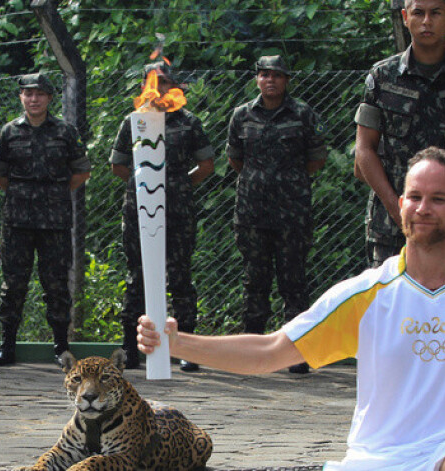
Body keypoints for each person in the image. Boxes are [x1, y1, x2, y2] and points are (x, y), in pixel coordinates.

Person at [138, 146, 445, 471]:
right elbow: (270, 351)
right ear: (401, 204)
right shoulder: (368, 296)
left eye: (438, 199)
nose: (423, 208)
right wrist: (176, 343)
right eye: (415, 197)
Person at [110, 61, 215, 371]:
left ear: (174, 86)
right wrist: (146, 188)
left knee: (180, 276)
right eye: (152, 81)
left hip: (178, 212)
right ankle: (131, 348)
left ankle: (185, 349)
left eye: (165, 81)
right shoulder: (134, 121)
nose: (159, 87)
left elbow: (206, 165)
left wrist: (177, 185)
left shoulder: (189, 122)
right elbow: (118, 166)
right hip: (140, 211)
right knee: (137, 276)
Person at [226, 55, 327, 374]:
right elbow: (235, 159)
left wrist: (286, 182)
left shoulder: (303, 114)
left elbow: (315, 159)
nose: (270, 80)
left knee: (293, 282)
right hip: (253, 213)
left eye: (277, 75)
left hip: (292, 213)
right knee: (254, 280)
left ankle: (295, 354)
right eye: (264, 75)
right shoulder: (241, 115)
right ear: (257, 79)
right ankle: (251, 353)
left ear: (286, 80)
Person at [0, 73, 90, 366]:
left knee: (56, 285)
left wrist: (52, 193)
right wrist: (25, 193)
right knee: (13, 285)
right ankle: (7, 347)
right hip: (18, 221)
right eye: (28, 94)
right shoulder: (9, 132)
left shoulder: (65, 132)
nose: (34, 99)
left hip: (55, 221)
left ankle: (60, 347)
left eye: (40, 94)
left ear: (49, 98)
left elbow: (81, 172)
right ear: (21, 97)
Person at [354, 0, 445, 268]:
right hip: (391, 227)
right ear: (405, 17)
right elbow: (364, 151)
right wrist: (400, 209)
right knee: (389, 305)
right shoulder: (383, 76)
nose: (426, 21)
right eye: (418, 12)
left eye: (436, 13)